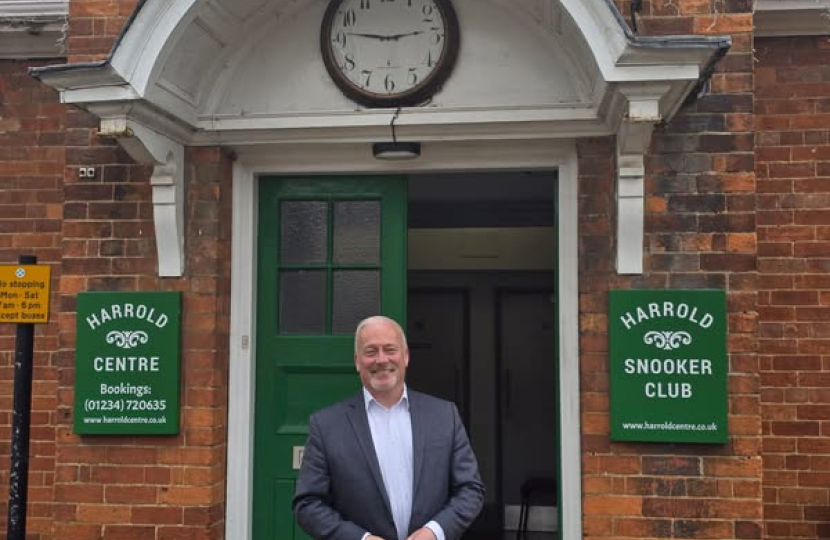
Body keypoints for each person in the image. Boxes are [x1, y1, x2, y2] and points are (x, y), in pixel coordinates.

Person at [293, 315, 485, 540]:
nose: (381, 359)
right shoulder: (326, 426)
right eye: (371, 351)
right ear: (357, 361)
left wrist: (435, 532)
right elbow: (307, 504)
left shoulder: (444, 416)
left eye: (390, 349)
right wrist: (360, 539)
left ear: (405, 357)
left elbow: (471, 489)